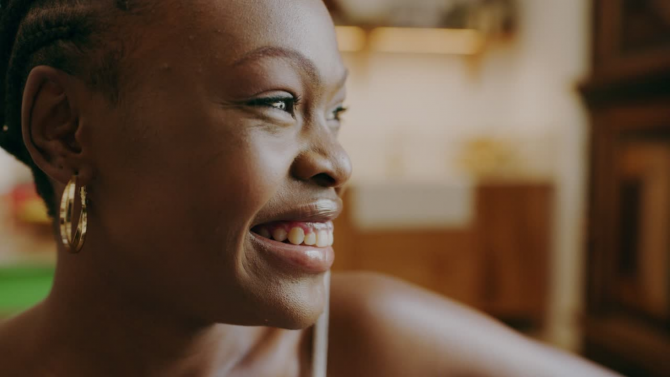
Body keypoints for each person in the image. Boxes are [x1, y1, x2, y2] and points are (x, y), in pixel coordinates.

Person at [0, 0, 620, 376]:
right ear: (65, 131)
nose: (337, 161)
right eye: (275, 101)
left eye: (337, 112)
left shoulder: (377, 344)